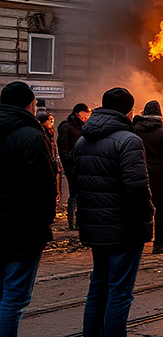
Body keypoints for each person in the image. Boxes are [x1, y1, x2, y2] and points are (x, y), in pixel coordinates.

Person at [71, 88, 154, 336]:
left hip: (96, 227)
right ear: (129, 111)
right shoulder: (129, 141)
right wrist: (145, 221)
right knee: (119, 291)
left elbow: (79, 183)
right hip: (124, 229)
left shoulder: (83, 140)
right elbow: (137, 189)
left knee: (98, 287)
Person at [0, 82, 56, 336]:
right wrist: (44, 223)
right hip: (21, 230)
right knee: (13, 298)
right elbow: (43, 187)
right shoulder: (31, 136)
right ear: (30, 104)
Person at [133, 101, 163, 255]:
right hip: (159, 173)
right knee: (160, 208)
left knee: (139, 207)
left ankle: (137, 241)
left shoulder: (134, 131)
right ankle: (158, 243)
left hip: (138, 172)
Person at [57, 103, 91, 230]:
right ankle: (71, 221)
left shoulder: (83, 127)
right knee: (74, 193)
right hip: (72, 165)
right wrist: (69, 162)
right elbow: (63, 148)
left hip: (83, 164)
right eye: (85, 113)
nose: (87, 116)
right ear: (77, 113)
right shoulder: (67, 127)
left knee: (82, 194)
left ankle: (79, 221)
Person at [37, 111, 63, 207]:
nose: (51, 123)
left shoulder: (51, 131)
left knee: (56, 186)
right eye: (50, 120)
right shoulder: (40, 133)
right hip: (47, 163)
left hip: (54, 162)